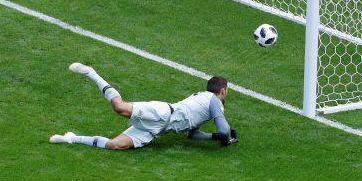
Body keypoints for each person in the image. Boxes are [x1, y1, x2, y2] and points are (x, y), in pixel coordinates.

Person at [50, 63, 237, 150]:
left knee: (115, 145)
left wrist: (216, 137)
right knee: (119, 107)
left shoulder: (203, 103)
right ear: (222, 91)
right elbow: (224, 129)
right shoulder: (214, 101)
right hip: (162, 114)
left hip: (157, 130)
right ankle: (92, 73)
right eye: (226, 90)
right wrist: (226, 136)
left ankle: (71, 139)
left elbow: (192, 134)